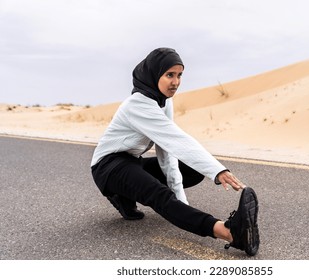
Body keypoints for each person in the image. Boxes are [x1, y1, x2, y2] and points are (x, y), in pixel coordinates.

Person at [91, 48, 259, 256]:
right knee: (159, 196)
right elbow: (178, 140)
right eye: (169, 75)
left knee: (191, 169)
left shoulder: (163, 101)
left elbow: (168, 152)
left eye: (179, 75)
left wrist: (180, 203)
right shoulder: (137, 105)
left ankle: (123, 197)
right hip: (109, 167)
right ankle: (230, 233)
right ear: (153, 74)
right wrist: (217, 171)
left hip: (133, 162)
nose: (176, 82)